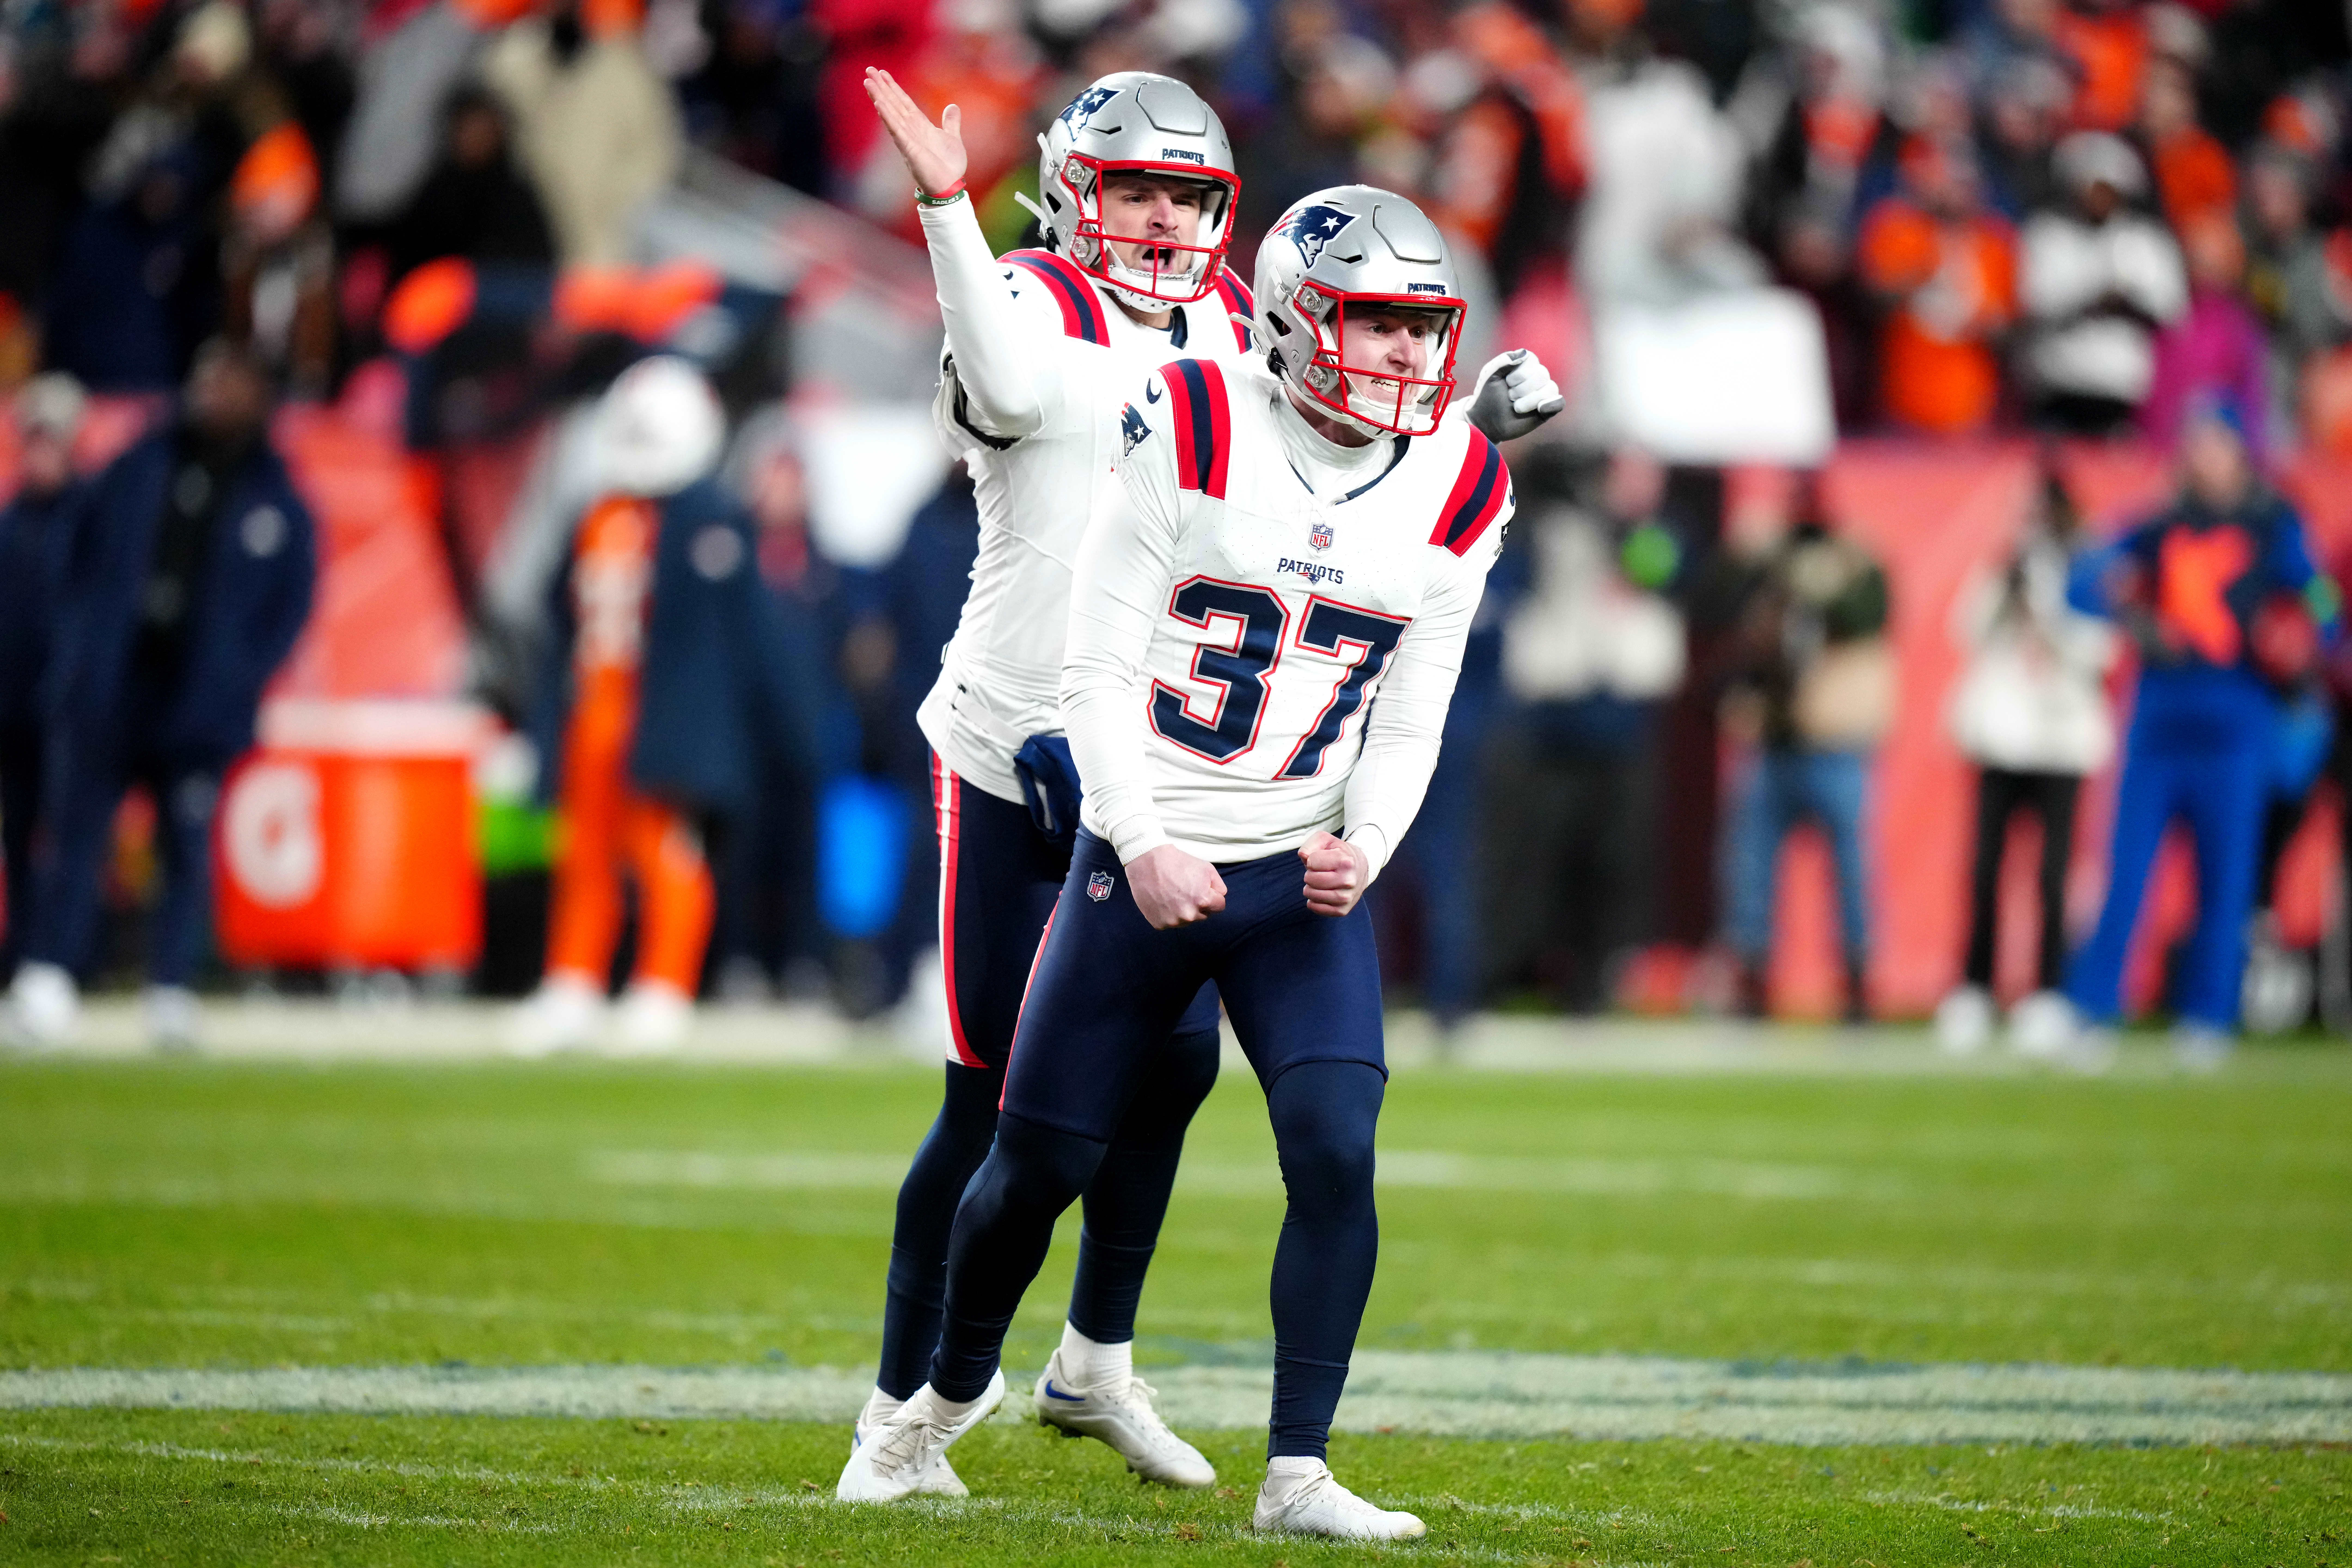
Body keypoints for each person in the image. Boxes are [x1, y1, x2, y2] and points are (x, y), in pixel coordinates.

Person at [850, 70, 1563, 1502]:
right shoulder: (1032, 298)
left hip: (1192, 766)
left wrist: (1465, 420)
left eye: (1191, 195)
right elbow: (1003, 381)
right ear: (1072, 192)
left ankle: (1096, 1366)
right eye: (1139, 190)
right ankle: (902, 1409)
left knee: (1170, 1072)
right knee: (996, 1105)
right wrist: (946, 209)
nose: (1168, 220)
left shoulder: (1245, 321)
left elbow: (1331, 450)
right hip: (1023, 742)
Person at [5, 341, 315, 1049]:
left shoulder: (275, 492)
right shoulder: (144, 462)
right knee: (80, 836)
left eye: (231, 382)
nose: (214, 393)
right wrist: (84, 644)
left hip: (200, 701)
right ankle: (52, 976)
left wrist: (242, 673)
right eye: (208, 377)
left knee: (186, 844)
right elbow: (77, 551)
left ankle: (171, 986)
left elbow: (290, 601)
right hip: (119, 685)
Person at [509, 356, 791, 1054]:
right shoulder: (598, 514)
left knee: (666, 858)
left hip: (661, 724)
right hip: (592, 713)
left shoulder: (713, 520)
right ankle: (572, 984)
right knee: (585, 857)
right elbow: (556, 623)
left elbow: (742, 641)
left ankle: (663, 986)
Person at [2059, 396, 2338, 1070]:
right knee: (2127, 870)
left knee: (2228, 875)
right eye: (2196, 443)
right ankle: (2095, 1006)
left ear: (2240, 450)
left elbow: (2323, 598)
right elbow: (2084, 578)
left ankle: (2209, 1014)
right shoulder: (2162, 522)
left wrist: (2311, 642)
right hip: (2161, 715)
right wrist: (2128, 609)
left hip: (2235, 715)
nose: (2205, 457)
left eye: (2216, 442)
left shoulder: (2274, 524)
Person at [1935, 468, 2116, 1055]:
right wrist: (2005, 587)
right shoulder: (2006, 567)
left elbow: (2103, 649)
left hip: (2061, 740)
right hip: (2004, 737)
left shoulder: (2090, 571)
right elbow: (1964, 630)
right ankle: (1976, 987)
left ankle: (2049, 992)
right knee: (1985, 869)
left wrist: (2051, 615)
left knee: (2052, 876)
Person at [1715, 479, 1892, 1023]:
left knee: (1851, 869)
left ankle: (1858, 982)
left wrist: (1827, 569)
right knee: (1750, 867)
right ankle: (1750, 978)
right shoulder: (1768, 571)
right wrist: (1750, 557)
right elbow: (1720, 605)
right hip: (1775, 739)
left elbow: (1860, 615)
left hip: (1836, 739)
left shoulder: (1860, 571)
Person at [0, 374, 88, 987]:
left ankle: (63, 956)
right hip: (14, 703)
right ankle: (22, 954)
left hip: (71, 706)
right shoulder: (11, 520)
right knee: (18, 835)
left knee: (68, 836)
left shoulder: (91, 519)